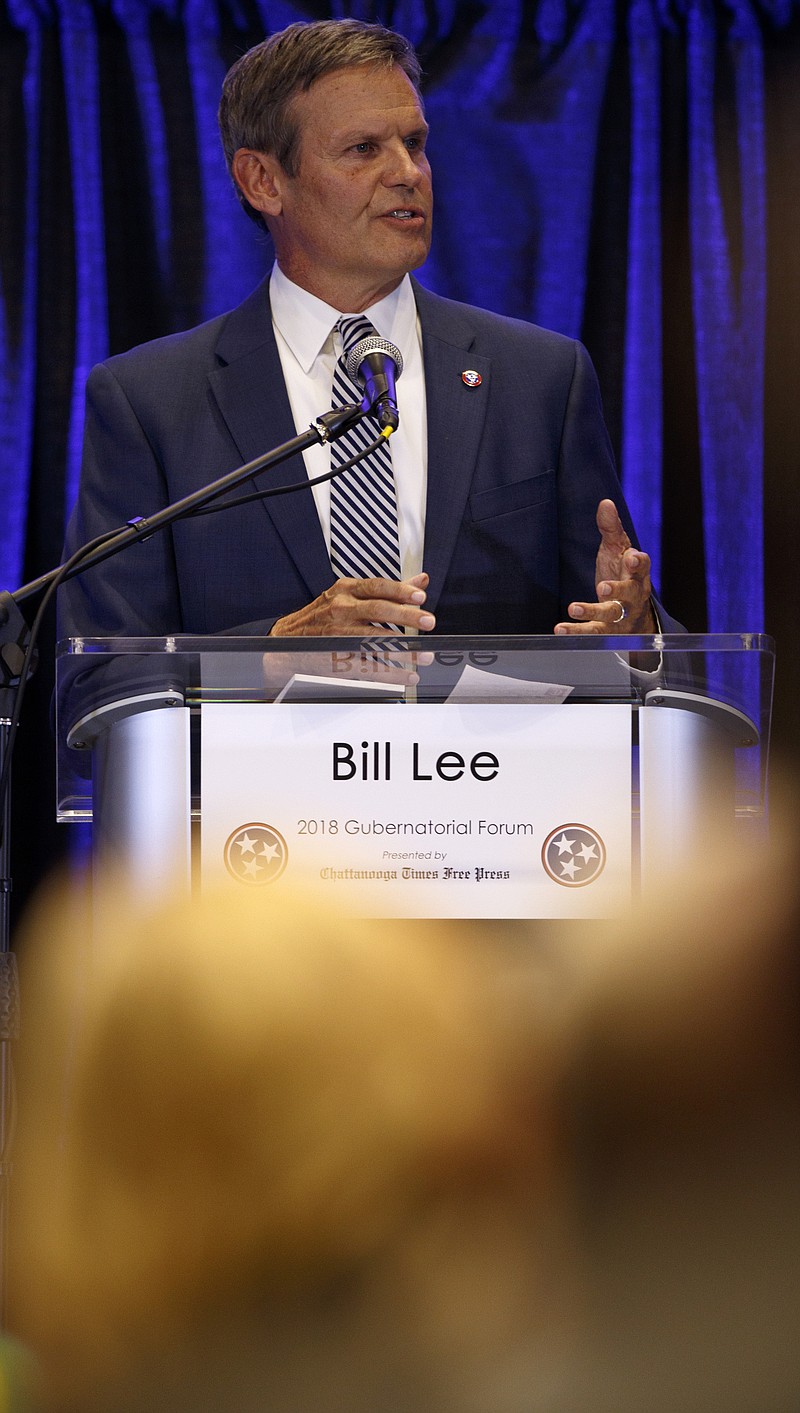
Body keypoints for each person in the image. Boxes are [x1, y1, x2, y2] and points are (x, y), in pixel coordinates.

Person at [58, 18, 683, 643]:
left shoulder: (541, 378)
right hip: (263, 745)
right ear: (263, 182)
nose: (407, 171)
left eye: (414, 142)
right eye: (364, 149)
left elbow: (622, 631)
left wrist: (638, 626)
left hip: (478, 747)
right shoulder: (151, 402)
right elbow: (103, 672)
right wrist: (269, 655)